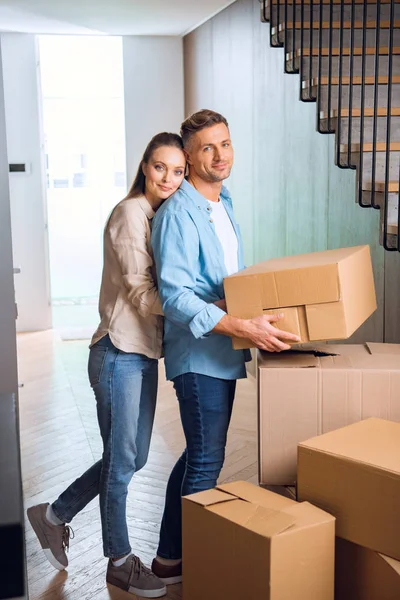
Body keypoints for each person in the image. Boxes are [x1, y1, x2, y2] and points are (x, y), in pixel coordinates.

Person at [27, 132, 186, 598]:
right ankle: (119, 561)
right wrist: (205, 310)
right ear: (145, 166)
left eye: (177, 171)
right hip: (117, 353)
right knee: (121, 465)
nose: (169, 178)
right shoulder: (129, 214)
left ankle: (54, 515)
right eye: (160, 167)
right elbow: (141, 292)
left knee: (130, 457)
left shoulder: (163, 216)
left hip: (141, 356)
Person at [150, 110, 300, 584]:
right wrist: (243, 325)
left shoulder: (223, 201)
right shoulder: (178, 213)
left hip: (223, 349)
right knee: (207, 461)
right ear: (190, 158)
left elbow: (226, 278)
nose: (220, 156)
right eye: (208, 148)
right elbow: (174, 296)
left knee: (199, 452)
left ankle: (170, 558)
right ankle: (196, 570)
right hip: (198, 356)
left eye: (226, 144)